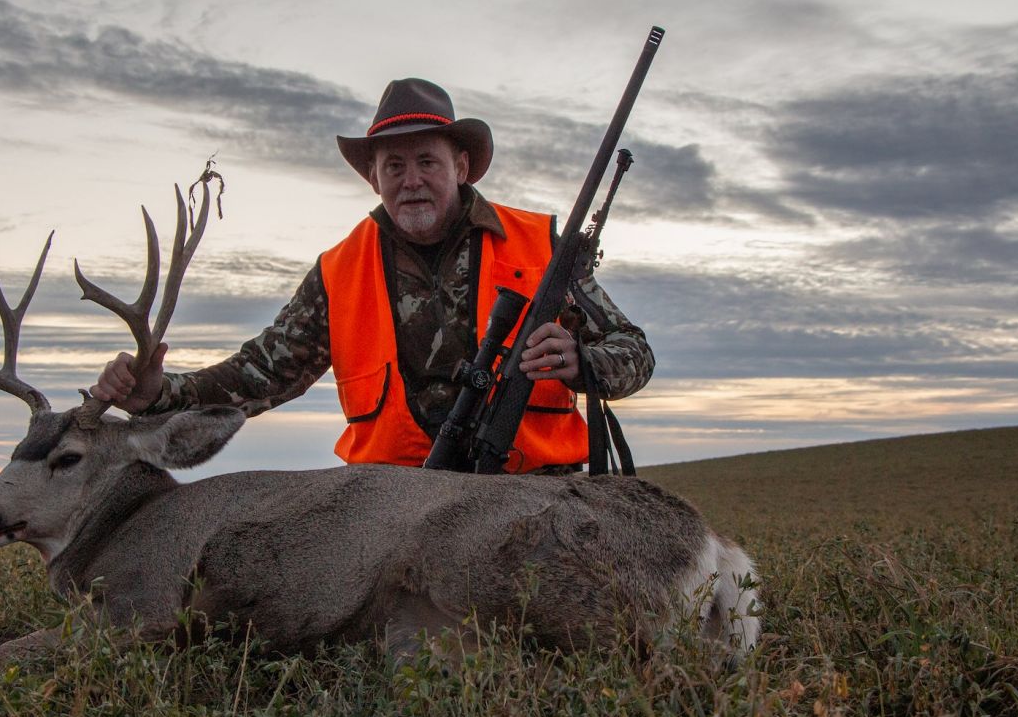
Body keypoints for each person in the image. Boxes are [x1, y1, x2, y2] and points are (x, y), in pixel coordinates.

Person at [91, 78, 654, 473]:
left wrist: (584, 362)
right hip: (390, 507)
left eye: (426, 161)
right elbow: (260, 374)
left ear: (460, 166)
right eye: (394, 166)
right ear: (373, 177)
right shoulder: (339, 271)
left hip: (534, 491)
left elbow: (635, 352)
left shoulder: (541, 247)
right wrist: (160, 394)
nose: (411, 180)